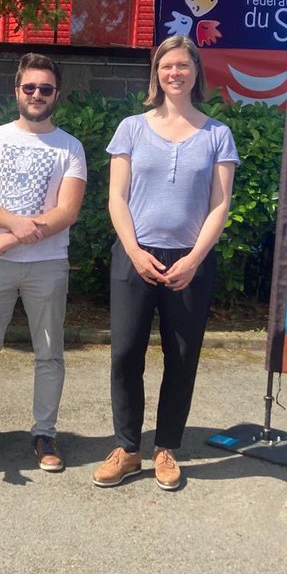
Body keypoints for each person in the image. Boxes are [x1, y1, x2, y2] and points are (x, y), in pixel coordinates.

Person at [93, 35, 238, 491]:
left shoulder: (217, 134)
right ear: (156, 74)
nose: (174, 72)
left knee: (181, 357)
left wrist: (195, 259)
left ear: (196, 72)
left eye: (183, 65)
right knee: (125, 353)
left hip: (189, 263)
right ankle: (127, 448)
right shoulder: (132, 128)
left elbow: (220, 205)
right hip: (135, 255)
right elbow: (116, 197)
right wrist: (135, 252)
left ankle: (166, 449)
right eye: (165, 66)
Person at [0, 53, 87, 472]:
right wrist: (13, 229)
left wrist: (20, 235)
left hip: (48, 265)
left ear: (56, 94)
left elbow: (69, 211)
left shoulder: (70, 146)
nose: (37, 95)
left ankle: (45, 434)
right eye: (30, 87)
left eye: (45, 89)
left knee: (49, 353)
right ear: (17, 91)